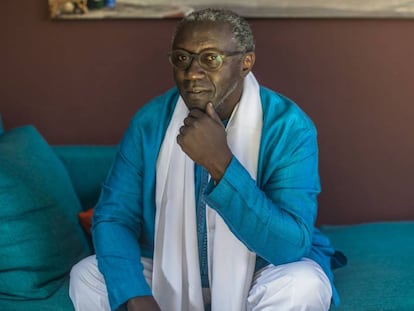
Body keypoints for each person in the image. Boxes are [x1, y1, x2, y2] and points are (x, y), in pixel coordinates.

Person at [69, 8, 343, 311]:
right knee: (86, 276)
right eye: (182, 58)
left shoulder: (289, 126)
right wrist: (135, 295)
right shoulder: (149, 122)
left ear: (245, 63)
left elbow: (290, 245)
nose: (192, 73)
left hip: (260, 271)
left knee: (303, 284)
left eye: (210, 58)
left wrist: (221, 164)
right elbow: (114, 217)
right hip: (165, 270)